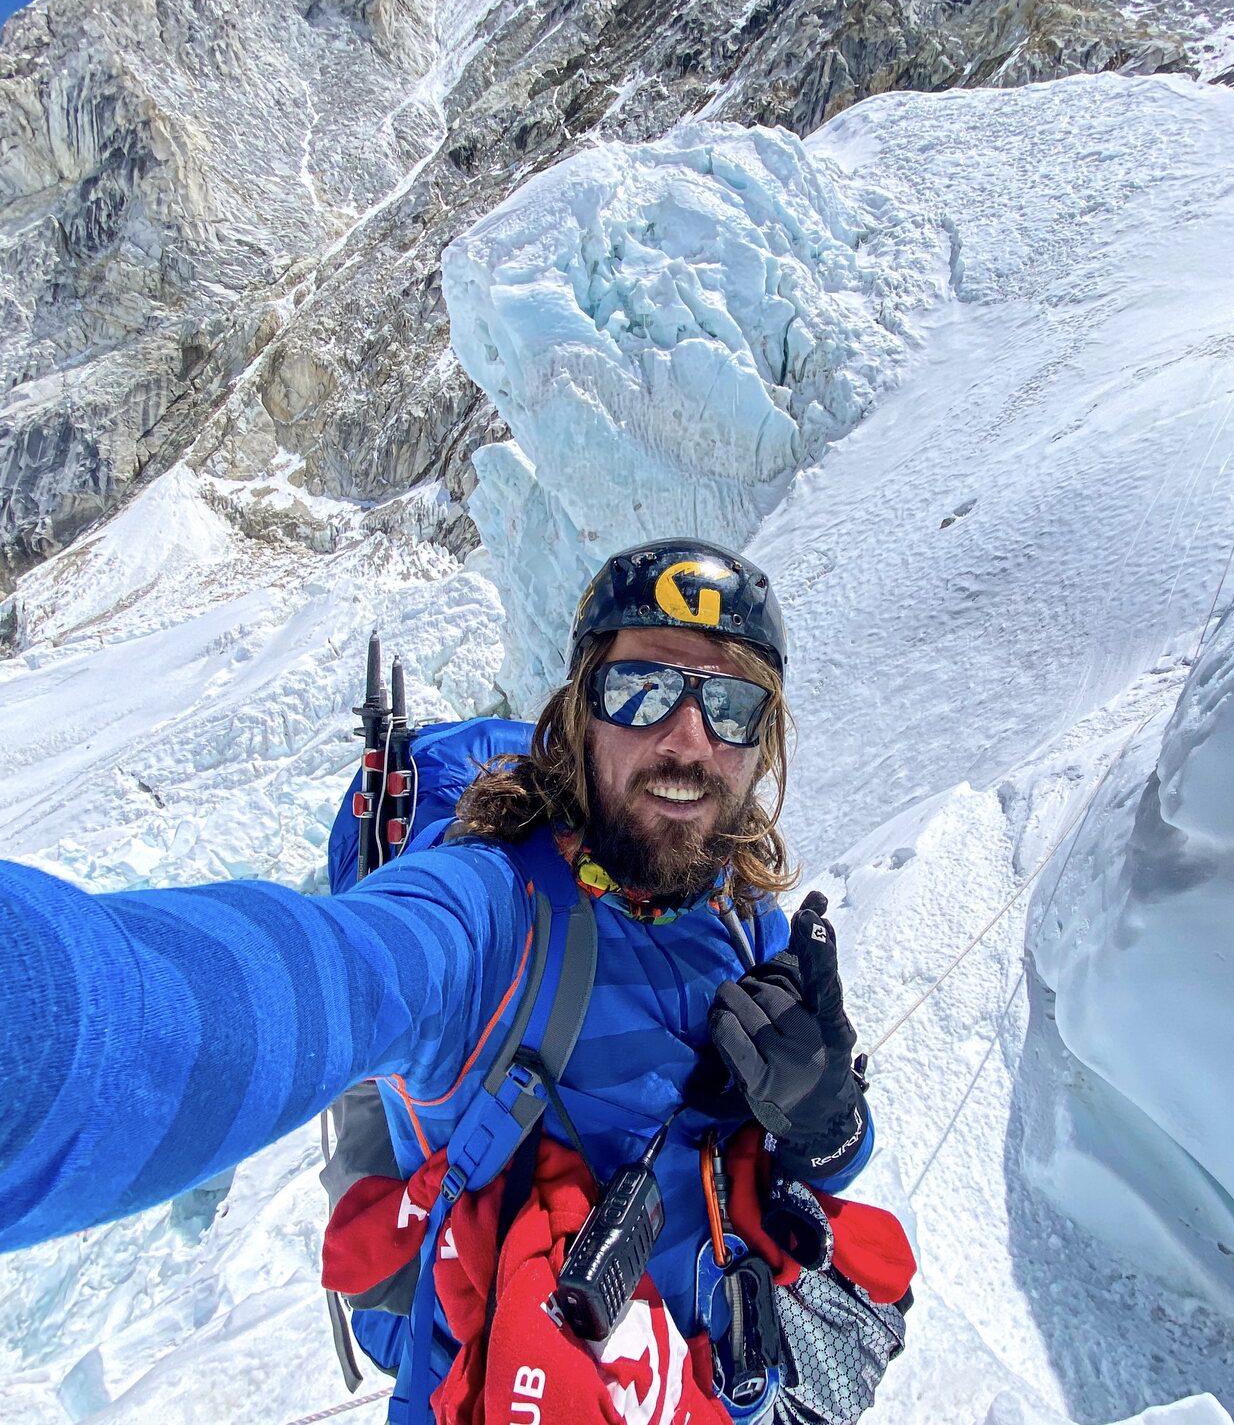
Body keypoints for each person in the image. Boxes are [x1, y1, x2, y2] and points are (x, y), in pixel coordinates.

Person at [0, 538, 886, 1420]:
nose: (688, 739)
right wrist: (44, 1027)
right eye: (642, 689)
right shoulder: (493, 915)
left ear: (762, 741)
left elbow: (826, 1167)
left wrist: (824, 1118)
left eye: (730, 704)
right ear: (581, 712)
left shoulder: (744, 916)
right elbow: (306, 979)